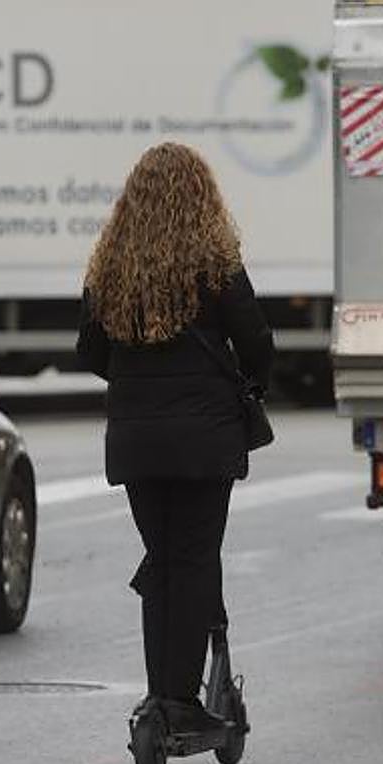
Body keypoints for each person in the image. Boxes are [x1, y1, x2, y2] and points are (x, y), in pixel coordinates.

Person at [76, 142, 274, 733]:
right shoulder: (216, 263)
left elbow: (90, 351)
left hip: (137, 441)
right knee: (192, 559)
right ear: (201, 197)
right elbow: (257, 341)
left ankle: (160, 696)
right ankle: (182, 701)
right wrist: (250, 388)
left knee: (161, 558)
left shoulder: (110, 267)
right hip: (205, 439)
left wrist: (137, 387)